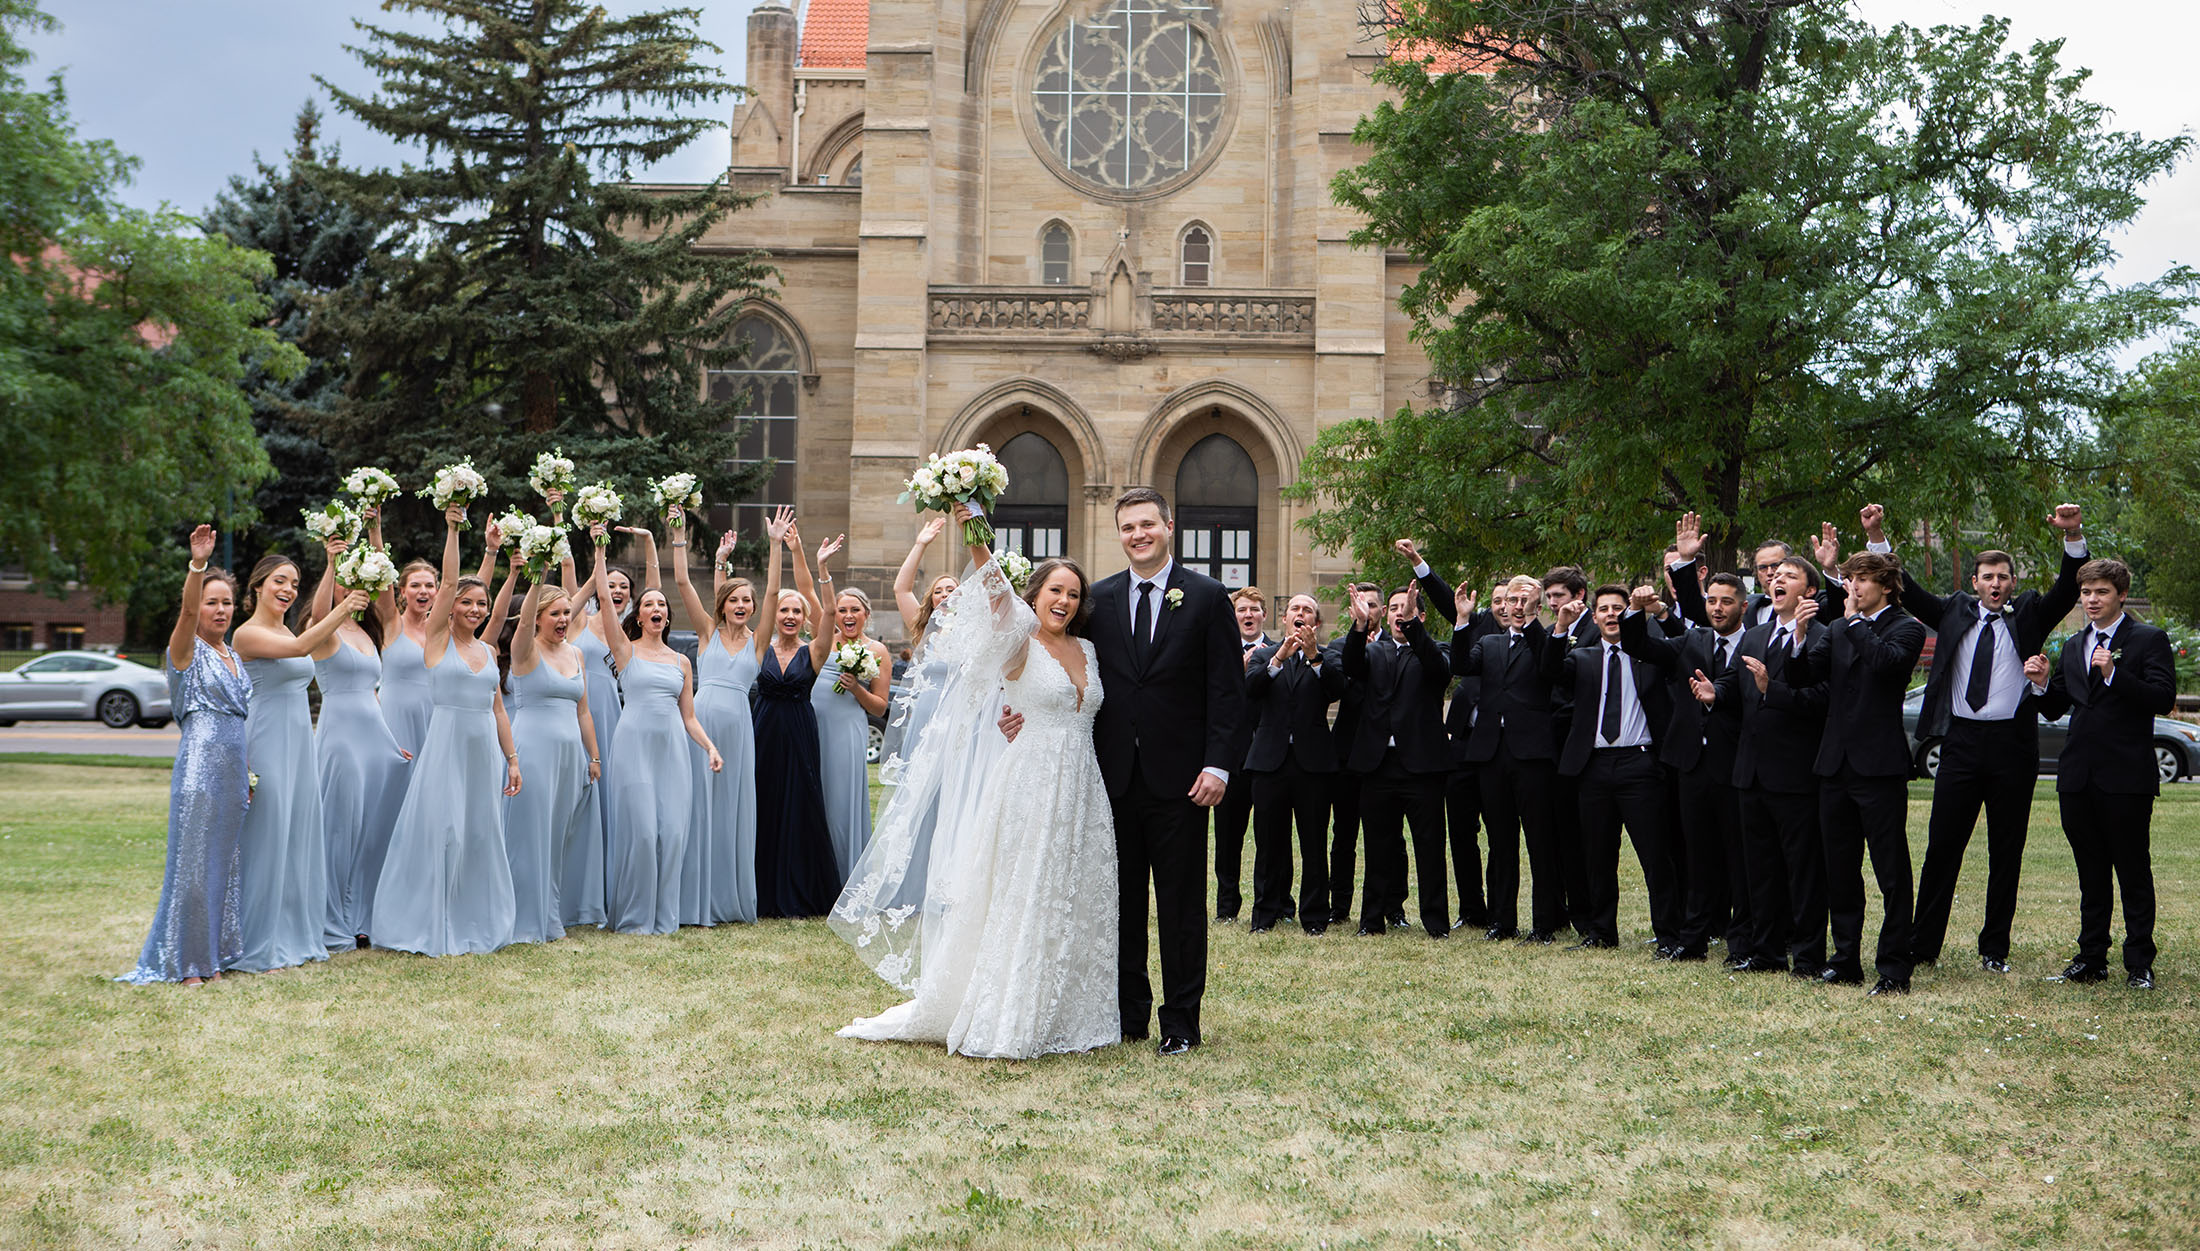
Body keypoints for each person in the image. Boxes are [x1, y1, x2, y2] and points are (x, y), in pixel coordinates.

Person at [836, 510, 1120, 1059]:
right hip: (1029, 783)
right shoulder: (1018, 643)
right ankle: (1010, 1010)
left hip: (1083, 784)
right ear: (1035, 595)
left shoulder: (1087, 651)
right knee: (1024, 891)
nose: (1063, 601)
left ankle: (1069, 1011)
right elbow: (994, 594)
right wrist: (976, 535)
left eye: (1073, 594)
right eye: (1054, 590)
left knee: (1074, 893)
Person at [1003, 486, 1243, 1057]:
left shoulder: (1208, 598)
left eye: (1147, 525)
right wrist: (1014, 713)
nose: (1138, 535)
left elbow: (1228, 693)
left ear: (1168, 526)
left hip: (1183, 781)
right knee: (1120, 903)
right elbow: (1049, 656)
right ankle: (1128, 1014)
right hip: (1108, 780)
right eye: (1128, 527)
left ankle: (1181, 1020)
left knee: (1182, 905)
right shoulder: (1100, 600)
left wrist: (1218, 765)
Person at [1863, 503, 2089, 974]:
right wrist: (1878, 537)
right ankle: (1923, 945)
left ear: (2010, 582)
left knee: (2006, 851)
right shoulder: (1951, 612)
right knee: (1943, 847)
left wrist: (2072, 537)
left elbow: (2068, 590)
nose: (1996, 584)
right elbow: (1905, 588)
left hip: (2013, 747)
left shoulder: (2028, 614)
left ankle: (1994, 950)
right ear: (1975, 582)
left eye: (2003, 577)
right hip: (1961, 745)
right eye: (1987, 576)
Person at [370, 506, 524, 957]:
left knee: (479, 834)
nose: (474, 609)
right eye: (466, 602)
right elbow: (452, 579)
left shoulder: (488, 651)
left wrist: (512, 759)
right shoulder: (436, 642)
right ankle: (426, 921)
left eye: (482, 604)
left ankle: (474, 918)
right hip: (446, 746)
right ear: (449, 606)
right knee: (445, 832)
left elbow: (498, 710)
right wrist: (455, 529)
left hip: (484, 755)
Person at [2035, 559, 2175, 989]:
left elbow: (2162, 697)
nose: (2092, 600)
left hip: (2126, 776)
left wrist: (2115, 674)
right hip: (2077, 776)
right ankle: (2092, 957)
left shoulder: (2148, 640)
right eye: (2086, 592)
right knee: (2090, 872)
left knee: (2133, 870)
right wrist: (2040, 684)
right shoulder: (2075, 643)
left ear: (2120, 595)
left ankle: (2139, 963)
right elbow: (2059, 704)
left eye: (2101, 592)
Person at [119, 526, 250, 986]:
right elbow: (189, 609)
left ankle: (212, 957)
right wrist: (198, 567)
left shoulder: (234, 654)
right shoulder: (185, 651)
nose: (219, 610)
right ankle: (184, 962)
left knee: (223, 865)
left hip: (235, 770)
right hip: (199, 766)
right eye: (213, 602)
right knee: (193, 866)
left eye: (226, 602)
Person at [1791, 550, 1926, 995]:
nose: (1853, 587)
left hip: (1880, 767)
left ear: (1886, 585)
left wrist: (1851, 623)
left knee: (1891, 871)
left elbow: (1886, 663)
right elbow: (1805, 674)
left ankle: (1893, 968)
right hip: (1834, 766)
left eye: (1862, 580)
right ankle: (1845, 958)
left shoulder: (1905, 627)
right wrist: (1801, 634)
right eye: (1849, 579)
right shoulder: (1837, 627)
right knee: (1840, 869)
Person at [228, 552, 369, 973]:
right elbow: (300, 647)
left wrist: (330, 564)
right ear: (257, 587)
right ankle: (259, 942)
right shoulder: (246, 635)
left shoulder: (287, 627)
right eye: (279, 581)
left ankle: (295, 934)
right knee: (268, 838)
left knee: (297, 837)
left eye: (293, 583)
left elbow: (308, 629)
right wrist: (346, 606)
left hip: (299, 743)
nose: (288, 590)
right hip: (267, 741)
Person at [1625, 516, 1750, 965]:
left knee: (1739, 861)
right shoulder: (1691, 640)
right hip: (1691, 767)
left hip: (1738, 765)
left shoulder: (1756, 643)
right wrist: (1635, 613)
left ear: (1743, 606)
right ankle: (1692, 941)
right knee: (1695, 859)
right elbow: (1642, 647)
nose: (1716, 608)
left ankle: (1741, 944)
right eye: (1711, 601)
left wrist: (1685, 562)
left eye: (1725, 602)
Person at [1698, 556, 1830, 977]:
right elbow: (1740, 691)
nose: (1777, 579)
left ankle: (1808, 958)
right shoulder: (1754, 636)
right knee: (1760, 870)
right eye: (1775, 575)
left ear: (1808, 592)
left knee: (1803, 872)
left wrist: (1773, 689)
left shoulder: (1822, 638)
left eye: (1790, 576)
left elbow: (1818, 700)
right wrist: (1714, 693)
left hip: (1795, 774)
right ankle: (1766, 952)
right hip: (1750, 773)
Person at [1542, 585, 1677, 953]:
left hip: (1641, 763)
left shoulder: (1648, 656)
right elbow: (1550, 670)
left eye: (1619, 608)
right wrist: (1560, 628)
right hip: (1595, 766)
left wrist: (1647, 613)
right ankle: (1601, 932)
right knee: (1598, 856)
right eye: (1604, 609)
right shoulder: (1582, 657)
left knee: (1655, 855)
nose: (1612, 614)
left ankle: (1668, 935)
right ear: (1595, 616)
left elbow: (1678, 648)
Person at [306, 534, 414, 951]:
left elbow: (374, 694)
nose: (355, 592)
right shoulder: (327, 632)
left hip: (373, 739)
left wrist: (391, 743)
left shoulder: (369, 635)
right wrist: (331, 562)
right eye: (345, 584)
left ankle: (361, 917)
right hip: (341, 737)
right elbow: (318, 616)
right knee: (339, 827)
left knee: (370, 830)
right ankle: (331, 920)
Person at [605, 569, 723, 934]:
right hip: (633, 746)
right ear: (637, 616)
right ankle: (634, 918)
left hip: (672, 749)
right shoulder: (624, 651)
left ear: (666, 617)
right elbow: (607, 607)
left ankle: (664, 919)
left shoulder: (681, 662)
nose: (655, 609)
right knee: (641, 833)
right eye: (648, 604)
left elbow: (689, 716)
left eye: (661, 604)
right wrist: (598, 552)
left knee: (671, 834)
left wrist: (710, 747)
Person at [1341, 582, 1453, 938]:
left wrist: (1414, 628)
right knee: (1378, 847)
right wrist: (1358, 627)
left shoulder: (1435, 650)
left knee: (1430, 848)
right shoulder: (1373, 651)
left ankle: (1435, 923)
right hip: (1378, 765)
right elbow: (1350, 665)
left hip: (1422, 766)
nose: (1398, 614)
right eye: (1392, 609)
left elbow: (1438, 670)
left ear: (1419, 616)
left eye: (1406, 608)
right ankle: (1371, 920)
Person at [1402, 539, 1501, 934]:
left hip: (1502, 744)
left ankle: (1500, 911)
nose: (1504, 605)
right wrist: (1418, 562)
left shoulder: (1537, 635)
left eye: (1511, 599)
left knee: (1500, 832)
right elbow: (1447, 603)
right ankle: (1472, 910)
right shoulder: (1477, 624)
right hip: (1461, 741)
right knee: (1461, 832)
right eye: (1496, 599)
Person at [1458, 576, 1562, 941]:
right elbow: (1460, 664)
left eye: (1524, 600)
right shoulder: (1488, 643)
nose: (1515, 606)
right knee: (1501, 843)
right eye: (1510, 600)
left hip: (1532, 756)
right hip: (1491, 754)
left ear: (1537, 605)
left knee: (1540, 841)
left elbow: (1550, 670)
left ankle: (1545, 924)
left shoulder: (1547, 640)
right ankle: (1502, 921)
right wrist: (1461, 620)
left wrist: (1533, 621)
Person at [752, 509, 843, 918]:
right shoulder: (759, 648)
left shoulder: (816, 651)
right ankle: (760, 891)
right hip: (764, 731)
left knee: (802, 805)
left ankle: (804, 890)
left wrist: (820, 569)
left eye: (796, 612)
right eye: (784, 611)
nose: (789, 616)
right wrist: (778, 549)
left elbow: (831, 613)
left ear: (805, 619)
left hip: (801, 732)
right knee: (765, 803)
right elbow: (767, 596)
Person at [500, 579, 603, 945]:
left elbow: (585, 711)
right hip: (533, 751)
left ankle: (550, 917)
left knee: (558, 838)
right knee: (530, 836)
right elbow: (523, 623)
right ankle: (520, 919)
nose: (563, 619)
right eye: (555, 613)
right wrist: (539, 571)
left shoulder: (576, 654)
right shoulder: (524, 650)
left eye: (566, 613)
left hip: (570, 756)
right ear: (538, 618)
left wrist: (593, 756)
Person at [672, 525, 760, 925]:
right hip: (702, 722)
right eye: (734, 599)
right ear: (723, 605)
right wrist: (680, 538)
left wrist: (777, 546)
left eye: (748, 600)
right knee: (698, 805)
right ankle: (691, 895)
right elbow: (682, 581)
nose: (741, 605)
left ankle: (726, 895)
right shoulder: (708, 631)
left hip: (740, 728)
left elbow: (774, 593)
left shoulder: (759, 641)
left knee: (731, 810)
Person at [1242, 594, 1345, 935]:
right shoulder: (1262, 656)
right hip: (1269, 762)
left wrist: (1313, 656)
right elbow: (1251, 689)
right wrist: (1279, 659)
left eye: (1308, 611)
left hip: (1312, 765)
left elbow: (1335, 689)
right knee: (1269, 843)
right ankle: (1265, 915)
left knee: (1313, 843)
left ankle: (1315, 917)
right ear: (1284, 620)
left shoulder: (1328, 657)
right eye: (1295, 610)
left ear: (1316, 623)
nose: (1300, 615)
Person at [812, 532, 891, 882]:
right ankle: (815, 876)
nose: (847, 615)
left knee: (842, 803)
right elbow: (809, 591)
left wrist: (856, 687)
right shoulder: (824, 641)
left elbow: (879, 707)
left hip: (847, 730)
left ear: (866, 615)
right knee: (815, 798)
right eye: (841, 610)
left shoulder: (877, 652)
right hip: (814, 725)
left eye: (854, 610)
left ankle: (844, 877)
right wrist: (821, 567)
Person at [1323, 581, 1385, 928]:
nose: (1369, 611)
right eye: (1363, 606)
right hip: (1347, 755)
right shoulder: (1338, 647)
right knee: (1343, 835)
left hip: (1385, 757)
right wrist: (1358, 632)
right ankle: (1339, 906)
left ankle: (1392, 906)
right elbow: (1343, 682)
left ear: (1384, 611)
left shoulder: (1396, 646)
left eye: (1374, 606)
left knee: (1388, 838)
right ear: (1353, 612)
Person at [1213, 586, 1271, 923]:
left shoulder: (1279, 652)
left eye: (1254, 610)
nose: (1248, 615)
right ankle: (1226, 908)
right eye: (1242, 610)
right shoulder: (1221, 655)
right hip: (1232, 759)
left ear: (1264, 615)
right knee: (1227, 839)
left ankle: (1272, 904)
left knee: (1269, 838)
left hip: (1267, 758)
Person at [887, 515, 960, 767]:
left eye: (950, 589)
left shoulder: (972, 631)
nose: (944, 594)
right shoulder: (925, 633)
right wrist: (920, 544)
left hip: (958, 716)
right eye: (938, 591)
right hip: (926, 714)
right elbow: (901, 590)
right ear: (932, 601)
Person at [379, 555, 441, 756]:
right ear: (403, 591)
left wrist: (491, 551)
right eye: (415, 585)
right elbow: (382, 572)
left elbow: (476, 590)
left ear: (437, 591)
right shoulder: (392, 622)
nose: (423, 591)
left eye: (429, 586)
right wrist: (375, 529)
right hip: (394, 716)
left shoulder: (442, 630)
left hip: (434, 717)